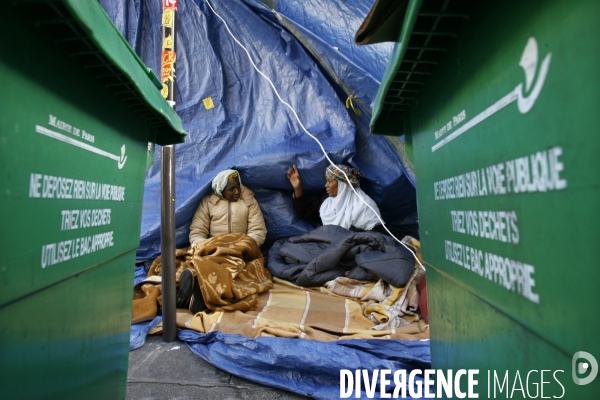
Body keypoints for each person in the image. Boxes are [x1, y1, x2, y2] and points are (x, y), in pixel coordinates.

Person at [286, 164, 385, 233]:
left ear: (343, 184)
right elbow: (305, 212)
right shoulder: (327, 201)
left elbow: (379, 235)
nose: (326, 185)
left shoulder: (364, 205)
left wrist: (350, 234)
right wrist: (297, 188)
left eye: (330, 181)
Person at [189, 169, 267, 248]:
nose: (237, 191)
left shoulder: (249, 201)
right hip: (214, 250)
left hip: (241, 250)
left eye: (238, 186)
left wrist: (244, 247)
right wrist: (207, 247)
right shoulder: (208, 203)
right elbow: (197, 232)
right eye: (231, 189)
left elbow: (257, 231)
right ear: (221, 190)